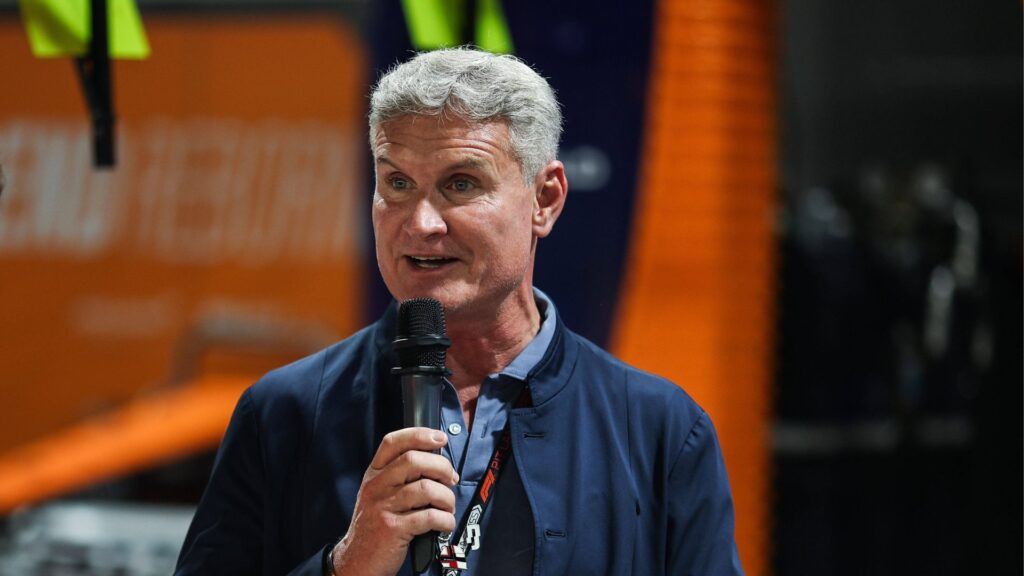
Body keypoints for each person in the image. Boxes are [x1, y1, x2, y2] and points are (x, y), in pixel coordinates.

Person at [175, 47, 743, 576]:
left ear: (545, 199)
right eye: (396, 182)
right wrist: (346, 564)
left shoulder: (660, 430)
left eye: (460, 184)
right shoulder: (284, 412)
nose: (421, 223)